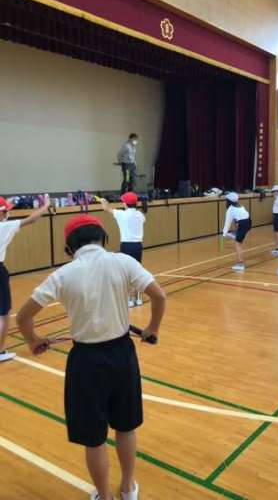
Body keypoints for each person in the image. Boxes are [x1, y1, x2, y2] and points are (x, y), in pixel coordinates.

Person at [17, 214, 166, 500]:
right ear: (103, 238)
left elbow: (23, 317)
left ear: (69, 247)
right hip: (122, 356)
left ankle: (104, 496)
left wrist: (33, 340)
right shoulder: (123, 262)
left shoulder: (62, 275)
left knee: (94, 438)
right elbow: (159, 296)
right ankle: (128, 489)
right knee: (126, 427)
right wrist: (152, 329)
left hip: (85, 362)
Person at [0, 196, 50, 363]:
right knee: (3, 314)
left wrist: (9, 203)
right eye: (5, 212)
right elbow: (33, 218)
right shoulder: (4, 227)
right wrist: (46, 205)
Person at [101, 192, 146, 307]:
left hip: (126, 246)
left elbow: (106, 208)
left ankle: (129, 299)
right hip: (137, 246)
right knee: (136, 271)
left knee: (126, 273)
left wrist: (103, 202)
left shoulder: (121, 214)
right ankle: (138, 298)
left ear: (125, 203)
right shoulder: (140, 215)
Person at [223, 192, 251, 272]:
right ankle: (236, 235)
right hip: (248, 222)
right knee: (238, 236)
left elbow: (228, 222)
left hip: (242, 224)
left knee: (238, 244)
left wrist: (224, 233)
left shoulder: (230, 209)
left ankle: (240, 264)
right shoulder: (241, 206)